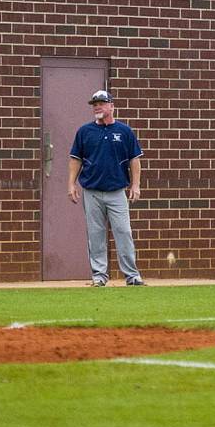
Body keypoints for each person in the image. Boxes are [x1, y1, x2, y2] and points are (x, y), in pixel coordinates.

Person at [67, 90, 144, 287]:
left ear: (111, 106)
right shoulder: (85, 132)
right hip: (92, 191)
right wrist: (71, 184)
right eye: (95, 104)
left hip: (117, 191)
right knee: (95, 234)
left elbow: (134, 160)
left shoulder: (124, 131)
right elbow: (76, 159)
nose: (97, 107)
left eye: (101, 103)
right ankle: (99, 276)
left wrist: (135, 185)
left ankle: (132, 275)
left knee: (123, 232)